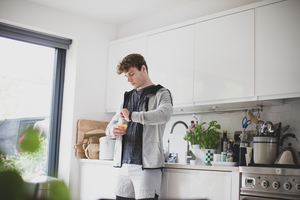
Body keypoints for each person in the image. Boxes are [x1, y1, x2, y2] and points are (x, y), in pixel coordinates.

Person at [105, 53, 173, 200]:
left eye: (131, 74)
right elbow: (110, 124)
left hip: (147, 167)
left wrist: (132, 116)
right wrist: (112, 130)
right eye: (126, 76)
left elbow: (164, 114)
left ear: (143, 69)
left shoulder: (162, 93)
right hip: (123, 165)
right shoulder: (127, 96)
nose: (129, 80)